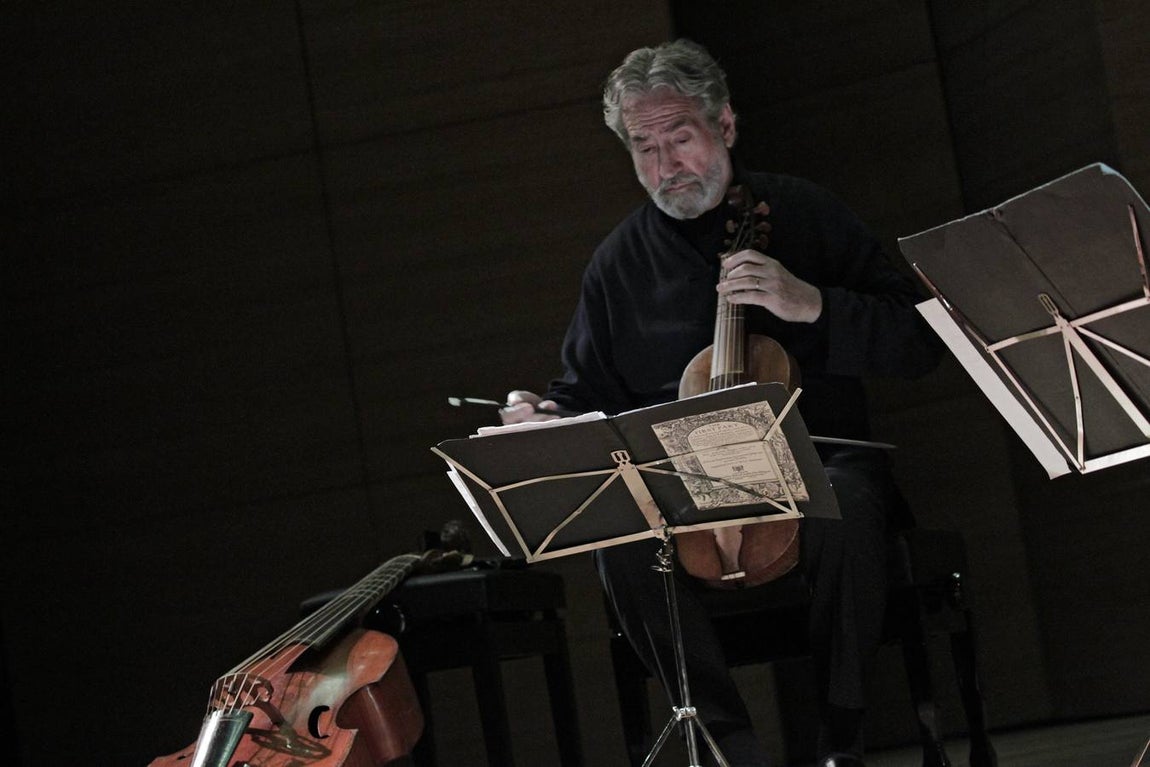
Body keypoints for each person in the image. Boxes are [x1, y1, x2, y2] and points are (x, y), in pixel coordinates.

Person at [501, 39, 944, 767]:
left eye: (681, 138)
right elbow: (583, 393)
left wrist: (812, 306)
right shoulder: (618, 264)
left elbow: (920, 340)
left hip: (820, 465)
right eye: (645, 147)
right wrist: (544, 416)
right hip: (683, 489)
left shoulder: (804, 214)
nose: (666, 165)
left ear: (726, 126)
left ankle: (843, 743)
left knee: (847, 506)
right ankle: (726, 746)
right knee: (619, 543)